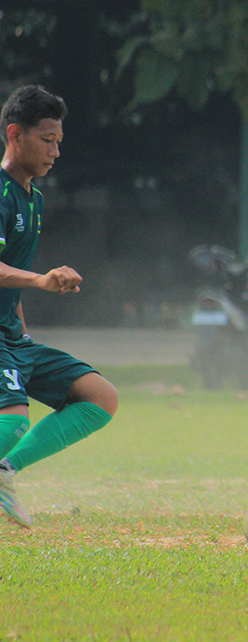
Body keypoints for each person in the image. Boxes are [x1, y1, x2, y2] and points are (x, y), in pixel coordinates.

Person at [0, 85, 119, 527]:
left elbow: (9, 279)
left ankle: (4, 473)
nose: (56, 150)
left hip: (13, 339)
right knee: (11, 423)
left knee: (100, 397)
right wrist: (42, 280)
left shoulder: (34, 200)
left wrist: (21, 332)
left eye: (59, 142)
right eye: (47, 139)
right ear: (16, 135)